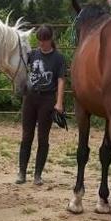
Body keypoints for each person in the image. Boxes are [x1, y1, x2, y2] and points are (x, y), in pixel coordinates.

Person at [17, 24, 67, 185]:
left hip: (47, 99)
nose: (42, 44)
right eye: (39, 40)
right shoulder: (32, 54)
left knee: (43, 138)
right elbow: (22, 68)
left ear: (50, 39)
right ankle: (22, 172)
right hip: (31, 98)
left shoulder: (58, 58)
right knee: (26, 136)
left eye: (44, 40)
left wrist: (59, 102)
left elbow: (61, 80)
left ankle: (37, 174)